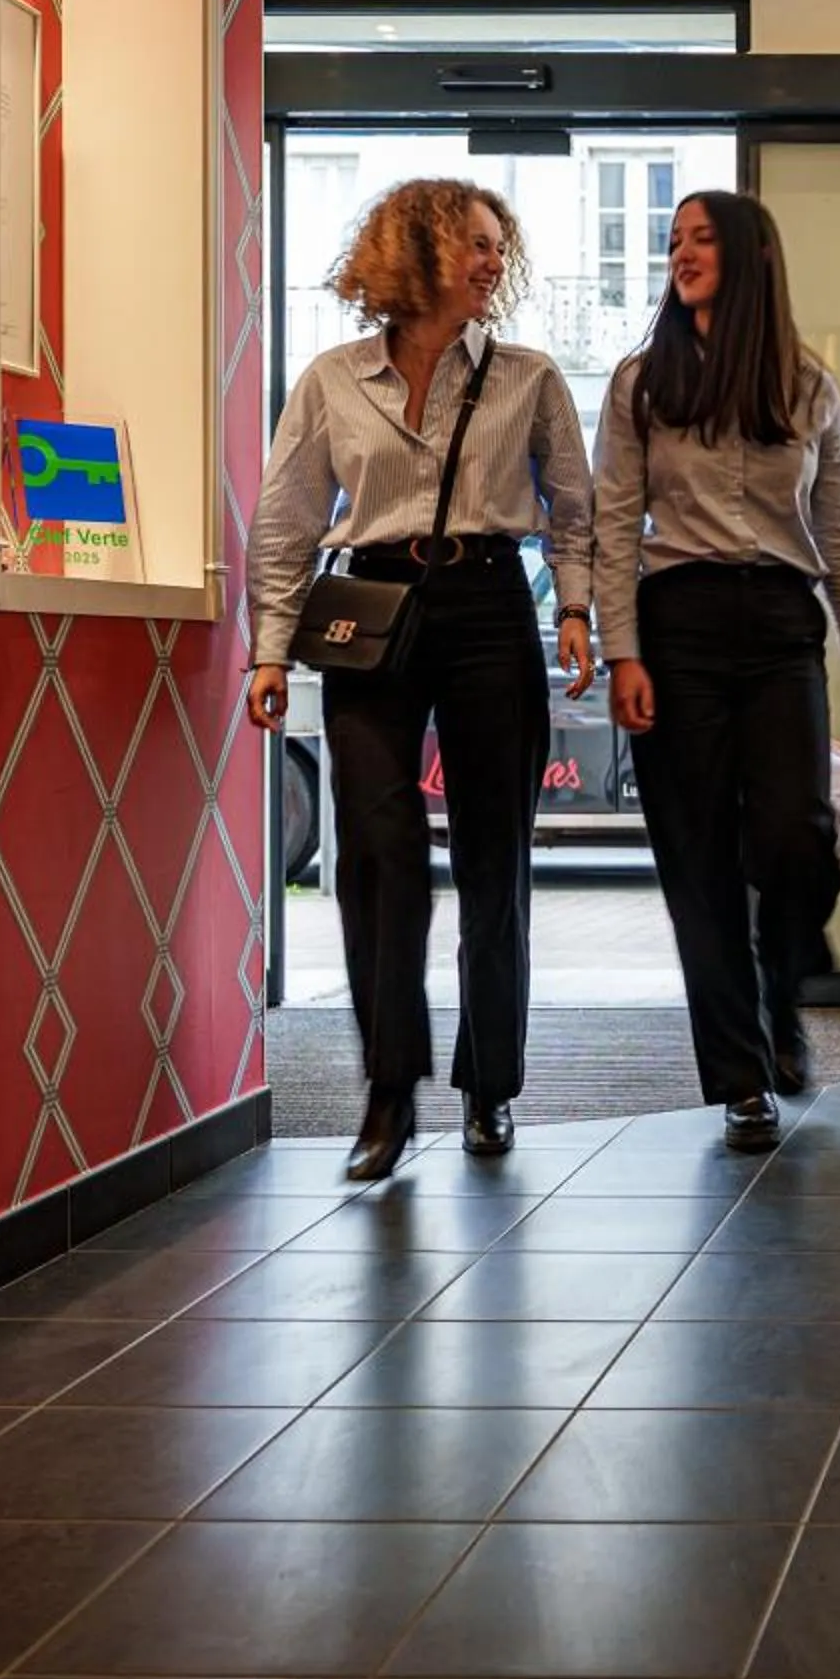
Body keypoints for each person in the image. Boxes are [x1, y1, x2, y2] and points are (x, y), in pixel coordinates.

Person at [245, 178, 594, 1181]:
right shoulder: (329, 380)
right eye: (474, 245)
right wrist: (272, 646)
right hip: (371, 612)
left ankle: (490, 1085)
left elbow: (573, 508)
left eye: (497, 246)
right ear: (415, 254)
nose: (492, 261)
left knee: (495, 858)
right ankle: (387, 1091)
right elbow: (287, 522)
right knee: (378, 850)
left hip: (489, 606)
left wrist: (571, 608)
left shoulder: (529, 378)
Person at [594, 191, 840, 1151]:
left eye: (702, 238)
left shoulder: (807, 386)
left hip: (779, 625)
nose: (681, 253)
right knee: (697, 862)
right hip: (676, 623)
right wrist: (622, 652)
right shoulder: (642, 382)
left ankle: (779, 983)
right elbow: (611, 525)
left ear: (752, 255)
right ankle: (740, 1078)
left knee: (798, 836)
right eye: (672, 239)